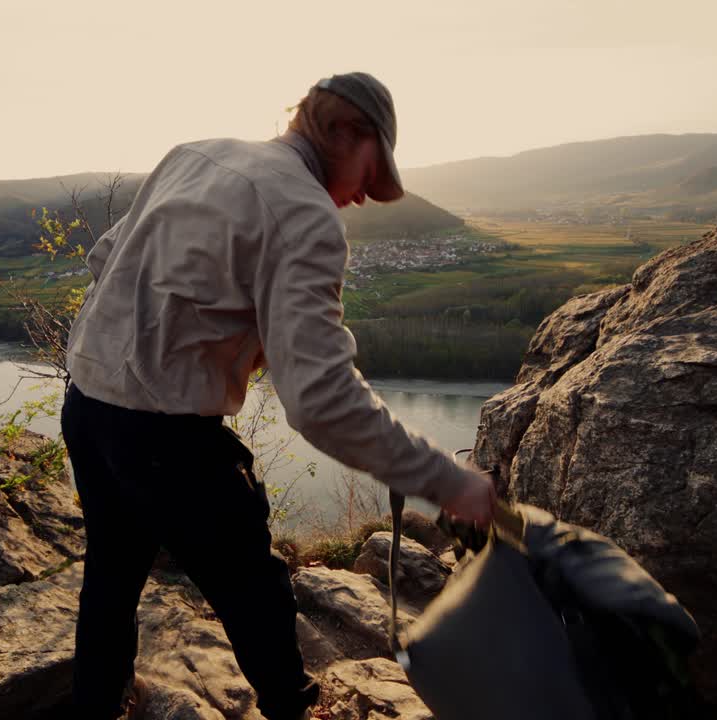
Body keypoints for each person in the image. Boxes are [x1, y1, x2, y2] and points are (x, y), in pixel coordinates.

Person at [60, 71, 496, 720]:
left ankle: (94, 705)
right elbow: (322, 401)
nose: (366, 198)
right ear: (347, 133)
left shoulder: (196, 154)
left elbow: (104, 258)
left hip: (88, 402)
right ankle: (297, 711)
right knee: (254, 588)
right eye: (372, 175)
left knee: (113, 573)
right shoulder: (302, 213)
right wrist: (449, 483)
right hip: (164, 433)